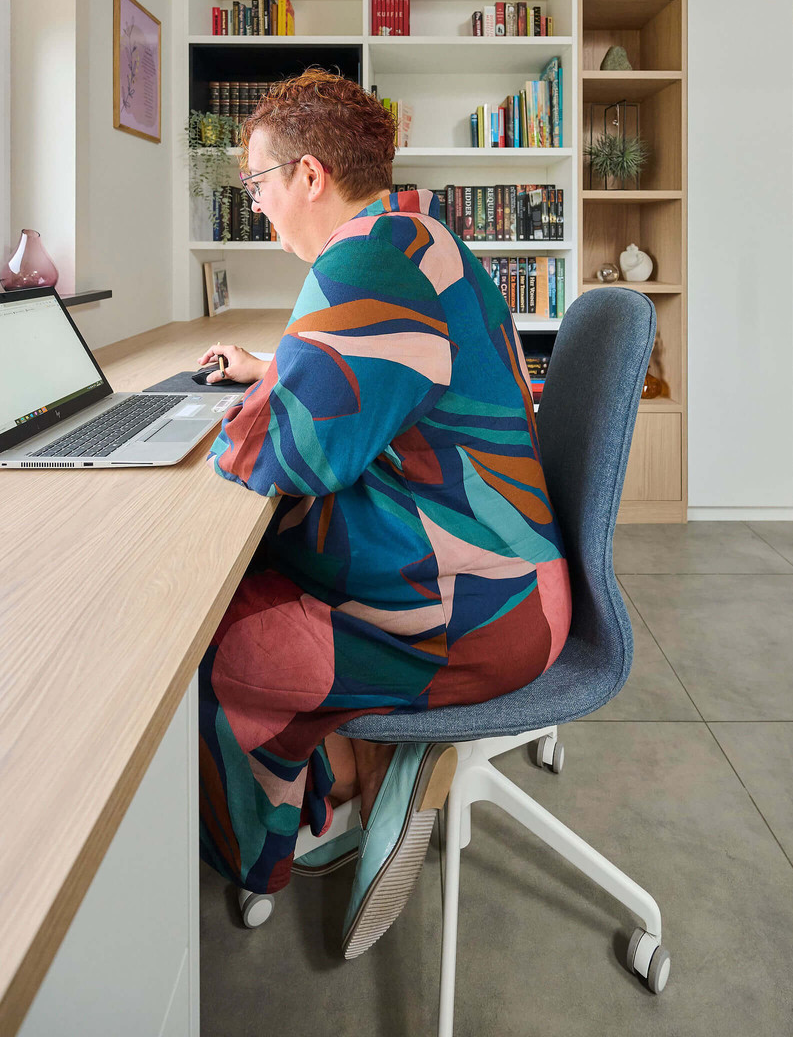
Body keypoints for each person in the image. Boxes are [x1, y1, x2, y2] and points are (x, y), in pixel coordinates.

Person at [197, 69, 571, 959]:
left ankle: (283, 844)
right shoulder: (408, 237)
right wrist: (276, 372)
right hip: (511, 575)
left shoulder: (364, 259)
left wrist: (238, 416)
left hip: (481, 616)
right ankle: (360, 770)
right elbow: (368, 375)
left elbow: (289, 456)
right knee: (260, 574)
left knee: (215, 644)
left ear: (310, 177)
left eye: (258, 184)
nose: (257, 207)